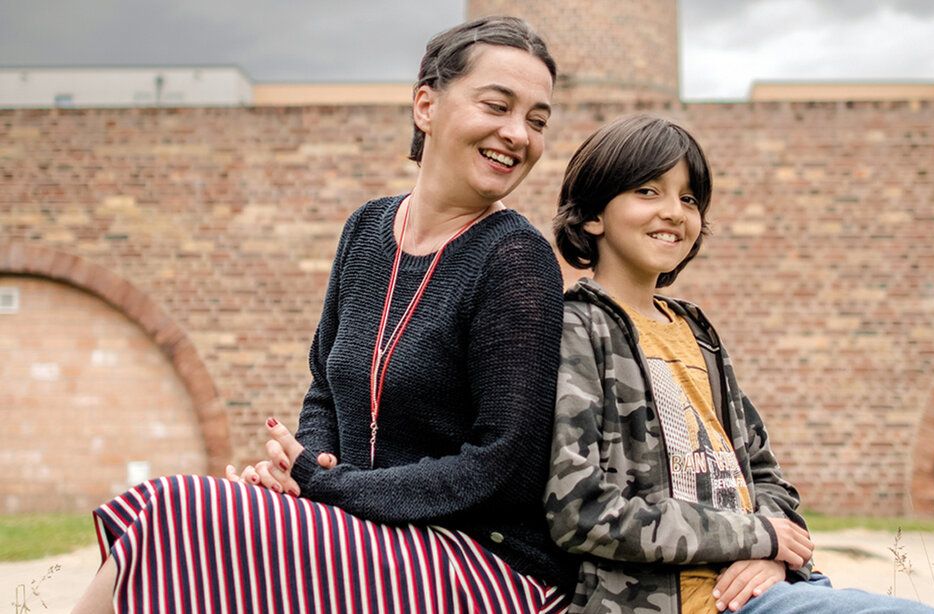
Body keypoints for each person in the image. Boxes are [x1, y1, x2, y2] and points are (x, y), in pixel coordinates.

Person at [75, 16, 575, 613]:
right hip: (367, 533)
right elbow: (324, 392)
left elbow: (504, 465)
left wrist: (325, 485)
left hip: (484, 562)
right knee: (165, 520)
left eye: (537, 120)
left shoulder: (516, 259)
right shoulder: (366, 231)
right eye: (497, 106)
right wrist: (302, 466)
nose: (518, 134)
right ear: (426, 106)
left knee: (179, 512)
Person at [545, 114, 934, 613]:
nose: (674, 212)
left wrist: (772, 554)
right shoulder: (577, 330)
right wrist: (753, 536)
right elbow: (580, 510)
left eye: (689, 199)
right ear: (592, 216)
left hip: (766, 588)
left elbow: (766, 477)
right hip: (676, 602)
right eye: (648, 191)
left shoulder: (697, 334)